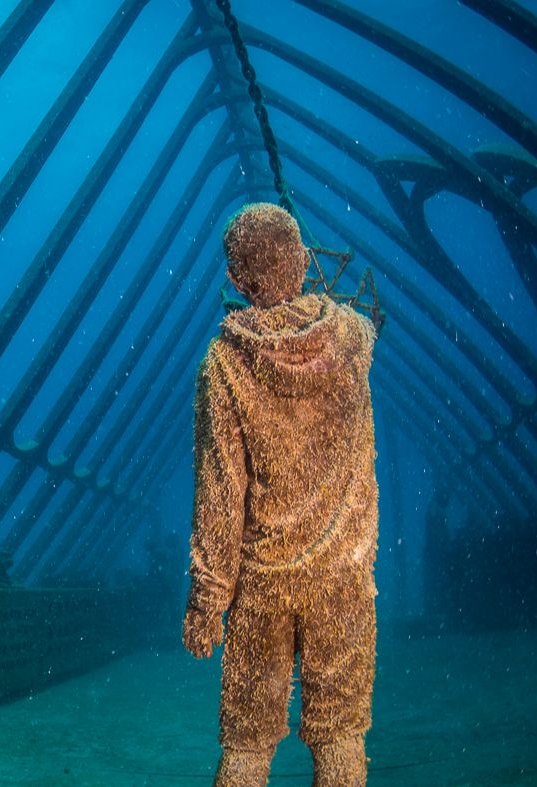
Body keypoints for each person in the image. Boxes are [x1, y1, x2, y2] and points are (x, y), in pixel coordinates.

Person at [183, 203, 378, 786]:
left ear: (235, 279)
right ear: (304, 260)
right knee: (341, 739)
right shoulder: (351, 342)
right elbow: (366, 333)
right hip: (342, 581)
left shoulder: (224, 366)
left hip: (261, 588)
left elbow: (220, 498)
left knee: (246, 747)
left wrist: (206, 602)